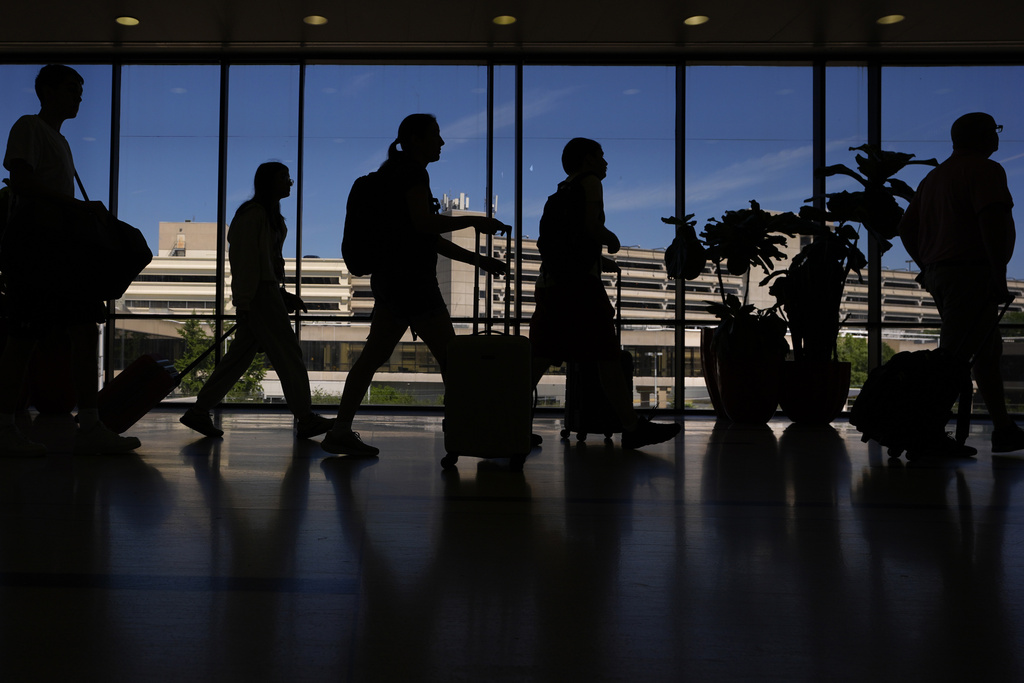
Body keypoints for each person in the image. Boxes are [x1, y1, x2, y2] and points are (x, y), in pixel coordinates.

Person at [321, 114, 509, 456]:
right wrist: (474, 221)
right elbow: (425, 226)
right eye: (435, 136)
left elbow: (422, 236)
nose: (441, 142)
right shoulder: (413, 174)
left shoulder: (388, 176)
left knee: (372, 358)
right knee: (452, 359)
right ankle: (464, 429)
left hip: (391, 282)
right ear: (415, 140)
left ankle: (340, 429)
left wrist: (479, 261)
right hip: (415, 284)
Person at [0, 64, 141, 456]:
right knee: (28, 338)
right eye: (71, 89)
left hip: (52, 253)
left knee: (74, 331)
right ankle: (22, 428)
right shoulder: (30, 127)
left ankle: (86, 424)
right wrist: (77, 208)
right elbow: (21, 180)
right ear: (45, 90)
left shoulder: (57, 140)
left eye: (80, 90)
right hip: (38, 253)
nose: (79, 96)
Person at [529, 138, 680, 449]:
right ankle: (631, 427)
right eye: (599, 155)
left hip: (551, 285)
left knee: (538, 359)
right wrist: (610, 238)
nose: (605, 162)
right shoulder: (590, 182)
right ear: (586, 161)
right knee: (607, 355)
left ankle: (503, 422)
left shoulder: (560, 192)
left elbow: (567, 241)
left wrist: (598, 258)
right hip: (579, 289)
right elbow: (590, 227)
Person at [180, 162, 334, 440]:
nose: (290, 182)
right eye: (284, 177)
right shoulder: (256, 216)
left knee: (239, 358)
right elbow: (246, 263)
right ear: (269, 182)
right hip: (260, 296)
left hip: (262, 295)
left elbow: (258, 262)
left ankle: (200, 410)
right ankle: (306, 417)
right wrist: (247, 302)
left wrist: (276, 295)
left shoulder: (264, 217)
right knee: (289, 355)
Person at [900, 112, 1024, 454]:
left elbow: (906, 228)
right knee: (956, 357)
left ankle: (1003, 428)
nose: (998, 137)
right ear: (984, 136)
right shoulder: (985, 171)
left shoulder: (934, 178)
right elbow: (992, 223)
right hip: (971, 274)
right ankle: (928, 433)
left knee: (983, 351)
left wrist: (927, 265)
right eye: (995, 131)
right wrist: (998, 276)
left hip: (943, 274)